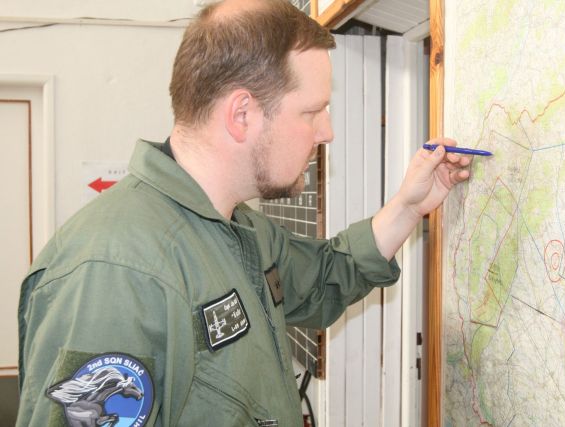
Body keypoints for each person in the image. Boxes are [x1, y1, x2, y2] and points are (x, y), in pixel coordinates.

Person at [16, 0, 470, 425]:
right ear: (242, 114)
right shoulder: (114, 273)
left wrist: (409, 206)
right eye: (312, 112)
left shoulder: (243, 230)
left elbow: (330, 272)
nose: (327, 132)